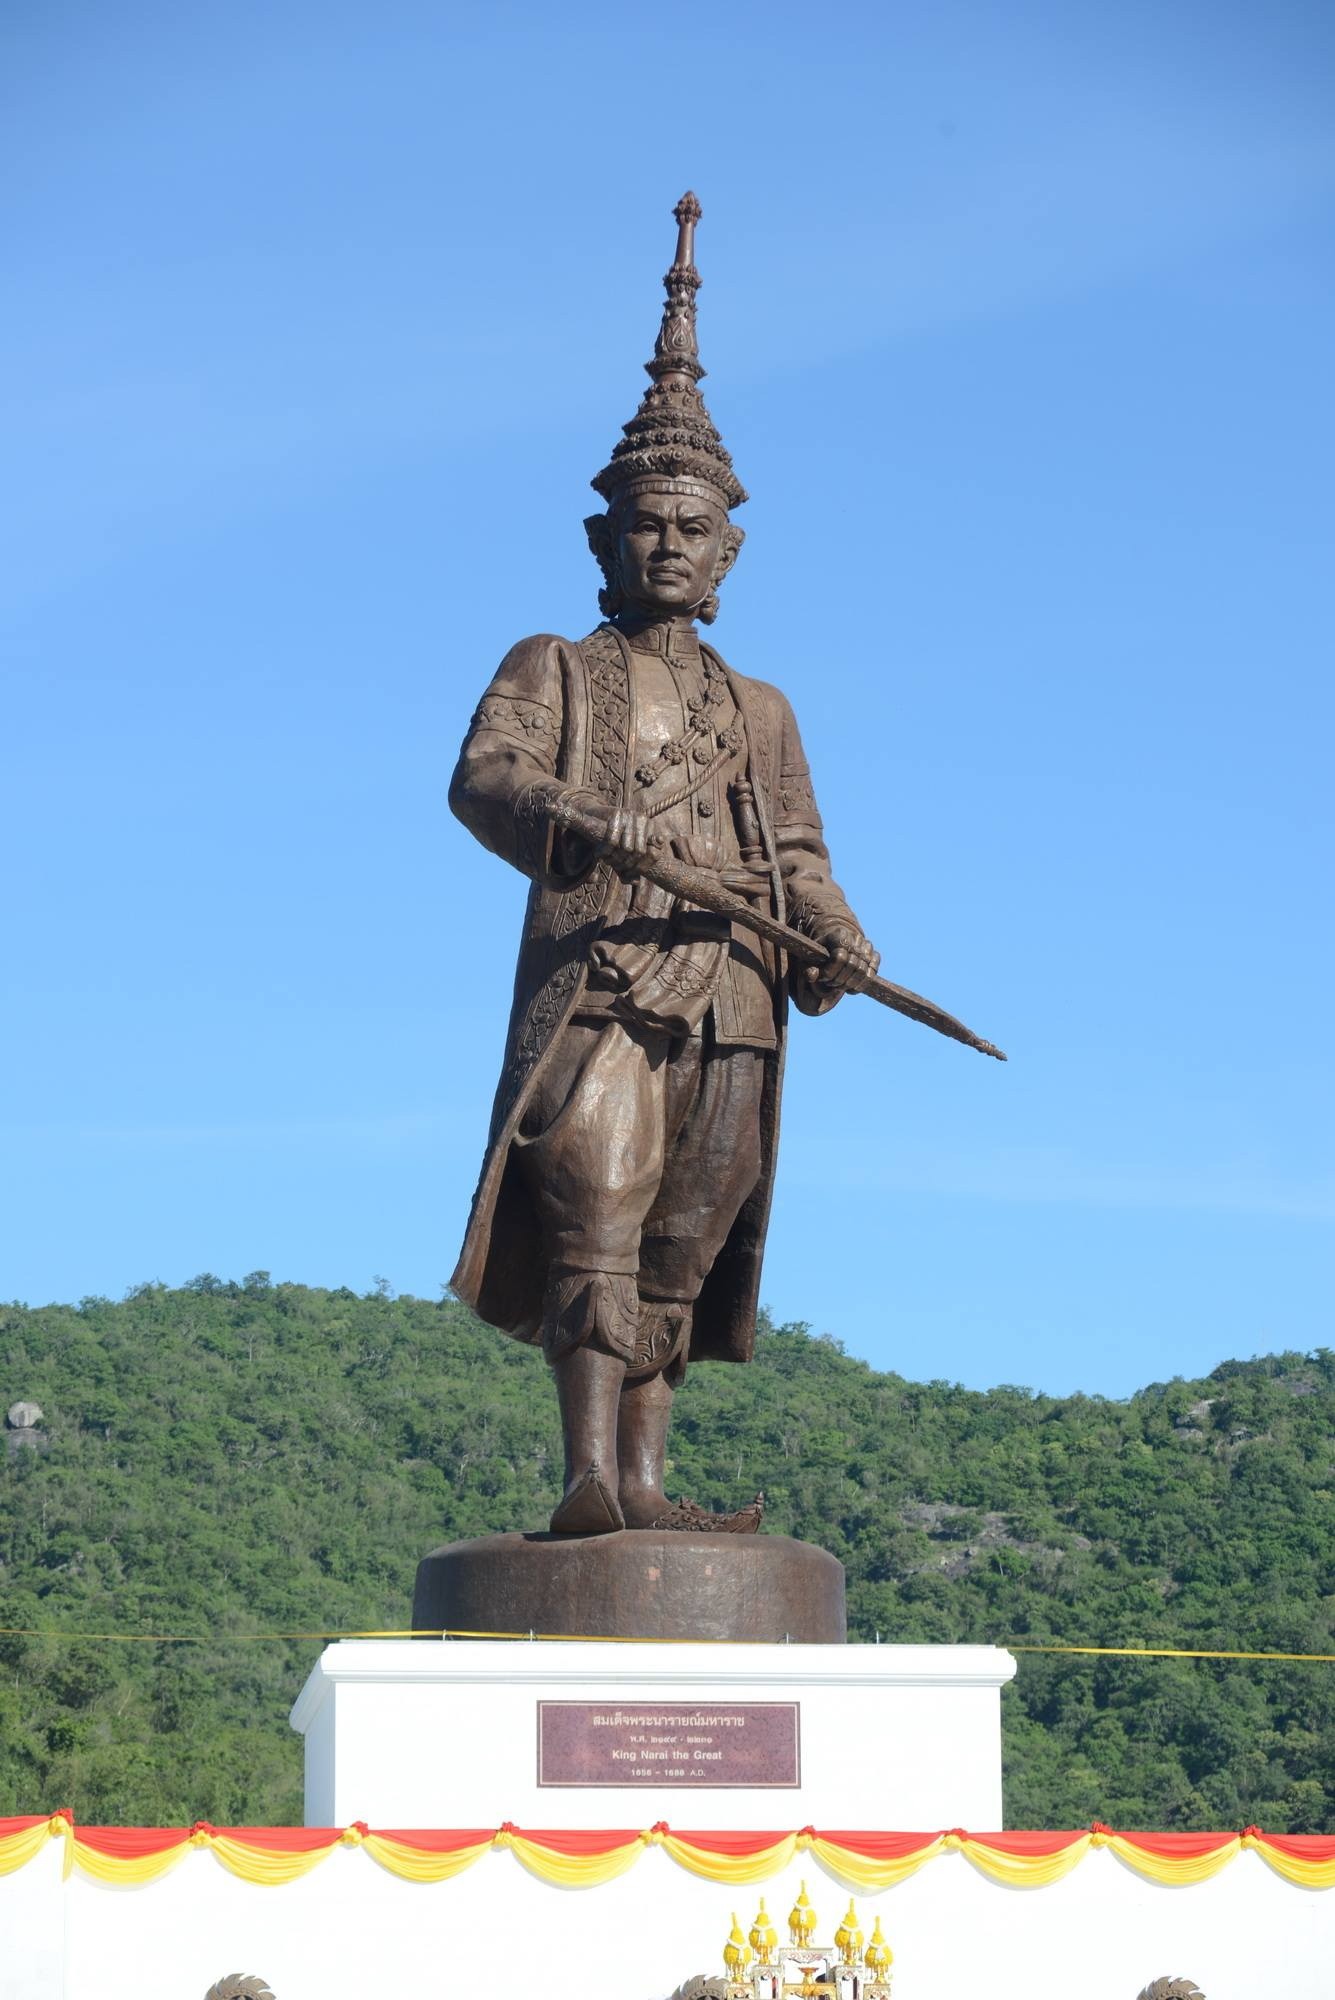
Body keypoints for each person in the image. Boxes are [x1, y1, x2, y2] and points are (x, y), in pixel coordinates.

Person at [450, 194, 878, 1534]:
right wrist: (581, 814)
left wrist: (834, 934)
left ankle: (644, 1478)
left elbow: (798, 853)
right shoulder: (555, 668)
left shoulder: (763, 711)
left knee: (688, 1230)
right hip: (610, 982)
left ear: (728, 548)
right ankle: (588, 1475)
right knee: (597, 1201)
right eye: (648, 523)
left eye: (694, 527)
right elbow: (486, 778)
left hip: (734, 990)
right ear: (605, 538)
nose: (671, 544)